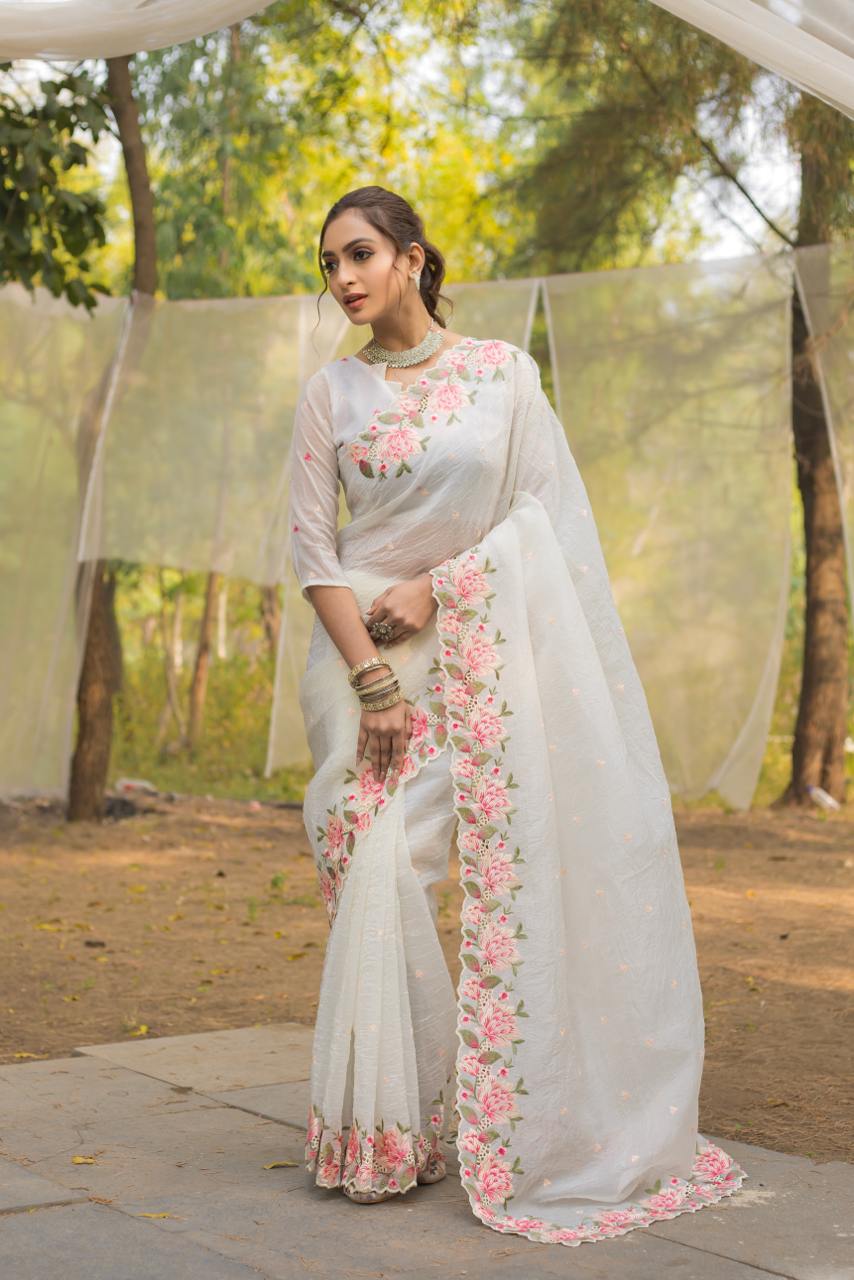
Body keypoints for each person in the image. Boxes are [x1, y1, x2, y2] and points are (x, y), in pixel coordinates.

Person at [286, 184, 747, 1244]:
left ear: (411, 256)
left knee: (438, 861)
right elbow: (311, 547)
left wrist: (441, 588)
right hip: (356, 654)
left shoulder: (501, 375)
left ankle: (458, 1119)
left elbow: (548, 517)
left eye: (359, 254)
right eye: (329, 264)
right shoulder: (329, 394)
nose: (343, 278)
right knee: (366, 858)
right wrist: (369, 677)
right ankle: (387, 1125)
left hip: (475, 647)